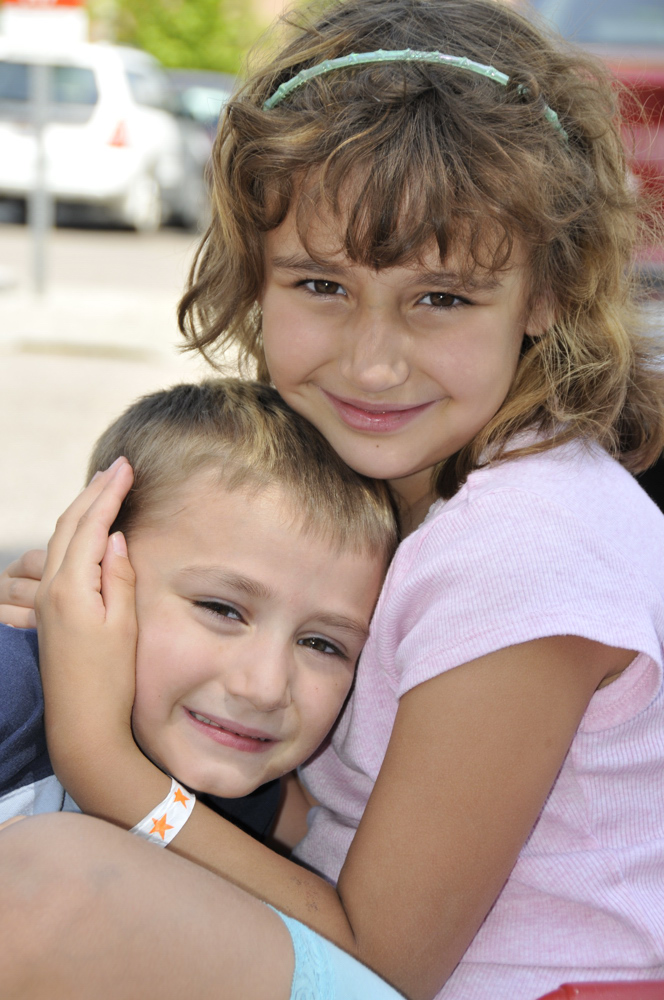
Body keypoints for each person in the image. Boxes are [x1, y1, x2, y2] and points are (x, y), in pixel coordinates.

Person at [0, 0, 663, 998]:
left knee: (52, 894)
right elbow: (330, 797)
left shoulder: (524, 548)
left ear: (546, 293)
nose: (373, 360)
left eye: (441, 297)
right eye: (320, 285)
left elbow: (388, 956)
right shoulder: (407, 481)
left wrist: (102, 753)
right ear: (255, 274)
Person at [0, 378, 396, 842]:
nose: (265, 689)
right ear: (91, 560)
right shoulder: (13, 689)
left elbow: (343, 913)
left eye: (320, 644)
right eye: (222, 610)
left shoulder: (238, 789)